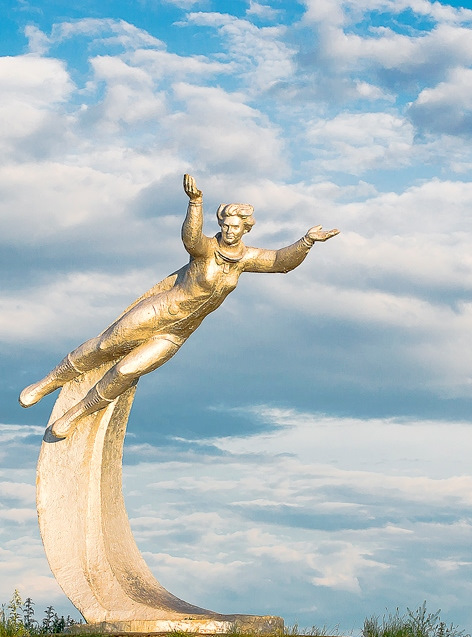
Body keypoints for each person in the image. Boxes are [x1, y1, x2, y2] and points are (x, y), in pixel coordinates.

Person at [20, 174, 339, 440]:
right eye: (225, 225)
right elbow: (191, 239)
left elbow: (281, 262)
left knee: (127, 371)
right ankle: (47, 383)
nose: (229, 231)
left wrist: (306, 241)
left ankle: (74, 416)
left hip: (175, 334)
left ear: (246, 229)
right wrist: (195, 203)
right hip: (159, 311)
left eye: (235, 227)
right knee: (106, 344)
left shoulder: (246, 259)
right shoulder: (206, 250)